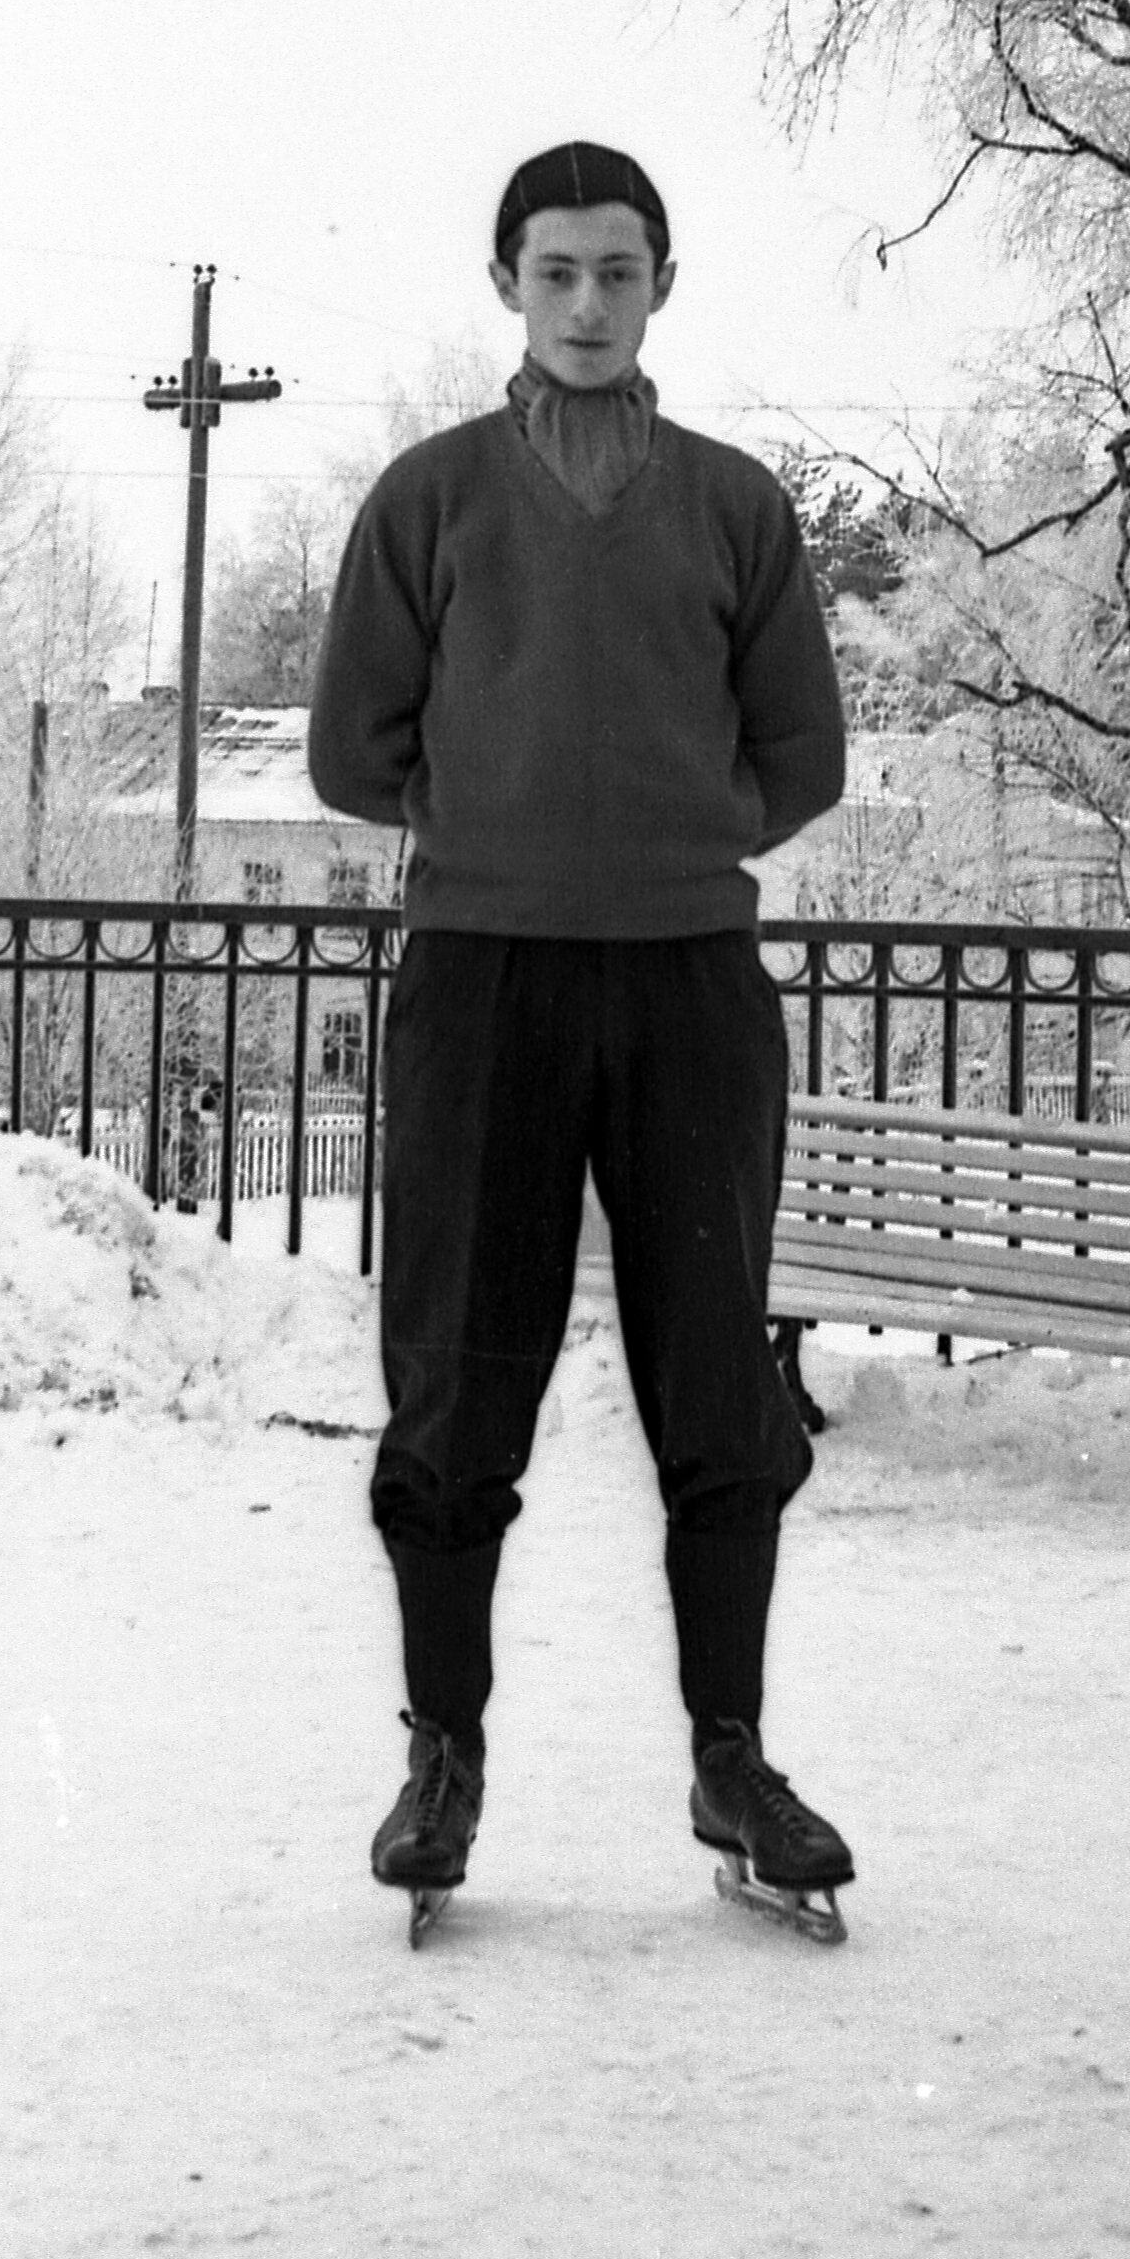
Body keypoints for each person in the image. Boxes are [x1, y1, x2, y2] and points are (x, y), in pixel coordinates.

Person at [308, 138, 855, 1933]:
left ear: (662, 287)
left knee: (717, 1381)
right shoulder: (432, 500)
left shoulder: (734, 508)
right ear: (509, 286)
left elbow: (803, 753)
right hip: (484, 984)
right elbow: (351, 748)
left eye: (620, 272)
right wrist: (507, 829)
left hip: (690, 988)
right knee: (458, 1378)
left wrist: (667, 840)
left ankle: (733, 1758)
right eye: (557, 272)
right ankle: (442, 1758)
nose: (589, 304)